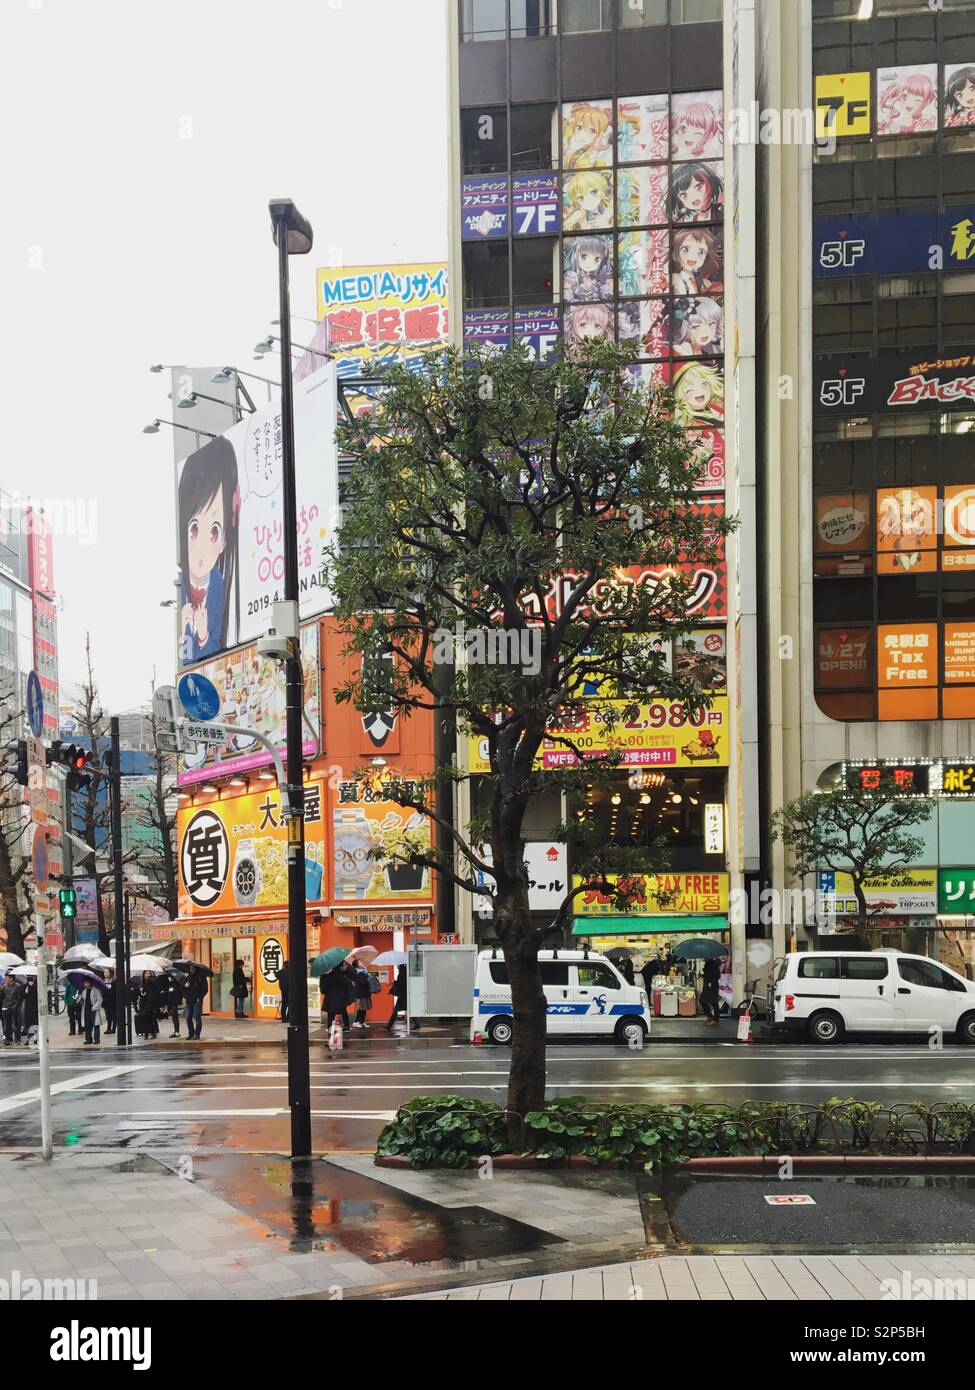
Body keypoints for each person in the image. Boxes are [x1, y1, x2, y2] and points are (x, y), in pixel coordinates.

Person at [321, 965, 350, 1034]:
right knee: (344, 1011)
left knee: (330, 1015)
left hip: (330, 998)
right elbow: (347, 986)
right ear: (339, 967)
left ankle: (330, 1029)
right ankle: (346, 1026)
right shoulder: (341, 976)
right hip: (340, 998)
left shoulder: (326, 976)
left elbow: (323, 990)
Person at [132, 971, 159, 1040]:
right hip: (143, 1003)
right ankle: (146, 1034)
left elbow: (154, 993)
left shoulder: (153, 983)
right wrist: (140, 990)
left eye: (148, 973)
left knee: (150, 1018)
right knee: (144, 1019)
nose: (147, 975)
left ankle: (153, 1033)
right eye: (146, 973)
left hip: (150, 1003)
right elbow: (140, 994)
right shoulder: (142, 984)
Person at [183, 964, 207, 1040]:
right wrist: (185, 987)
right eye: (190, 968)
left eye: (193, 968)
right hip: (189, 1000)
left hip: (197, 1000)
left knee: (196, 1017)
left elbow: (205, 989)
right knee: (188, 1017)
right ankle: (191, 1033)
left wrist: (200, 998)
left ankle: (197, 1034)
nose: (191, 969)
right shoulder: (188, 977)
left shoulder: (201, 977)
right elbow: (183, 989)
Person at [1, 971, 25, 1045]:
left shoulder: (17, 986)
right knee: (6, 1025)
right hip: (5, 1007)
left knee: (15, 1025)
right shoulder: (3, 986)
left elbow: (19, 997)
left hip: (13, 1007)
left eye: (7, 978)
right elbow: (2, 997)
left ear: (11, 978)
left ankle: (17, 1039)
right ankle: (7, 1039)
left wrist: (15, 1006)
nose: (5, 979)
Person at [81, 977, 106, 1046]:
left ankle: (96, 1040)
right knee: (87, 1025)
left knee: (95, 1025)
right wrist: (81, 1000)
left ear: (90, 983)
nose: (85, 984)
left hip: (93, 1010)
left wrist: (94, 1007)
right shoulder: (84, 991)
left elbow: (99, 1000)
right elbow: (83, 1000)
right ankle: (88, 1039)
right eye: (85, 983)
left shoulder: (96, 990)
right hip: (86, 1010)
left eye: (87, 983)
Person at [700, 955, 722, 1025]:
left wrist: (710, 982)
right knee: (703, 1001)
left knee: (713, 1002)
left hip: (711, 986)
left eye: (704, 956)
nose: (703, 957)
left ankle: (715, 1019)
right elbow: (708, 974)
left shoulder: (712, 963)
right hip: (708, 985)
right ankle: (710, 1017)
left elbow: (717, 975)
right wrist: (703, 975)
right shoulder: (708, 963)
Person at [386, 965, 408, 1034]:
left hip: (402, 995)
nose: (397, 966)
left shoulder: (401, 974)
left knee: (396, 1010)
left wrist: (394, 982)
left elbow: (400, 984)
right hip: (405, 994)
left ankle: (389, 1025)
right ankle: (417, 1024)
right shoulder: (404, 973)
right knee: (408, 1008)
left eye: (398, 966)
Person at [351, 965, 373, 1030]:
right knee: (361, 1008)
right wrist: (367, 977)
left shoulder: (364, 973)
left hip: (365, 993)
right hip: (360, 994)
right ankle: (356, 1022)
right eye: (360, 963)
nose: (362, 965)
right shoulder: (357, 973)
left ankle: (362, 1021)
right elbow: (361, 982)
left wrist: (367, 976)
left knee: (364, 1008)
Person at [21, 976, 38, 1045]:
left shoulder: (37, 984)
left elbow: (38, 994)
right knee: (28, 1024)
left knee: (35, 1023)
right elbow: (22, 995)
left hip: (36, 1007)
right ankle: (29, 1038)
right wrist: (27, 988)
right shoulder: (26, 986)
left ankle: (35, 1038)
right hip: (28, 1007)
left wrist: (32, 986)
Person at [164, 973, 182, 1037]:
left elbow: (178, 995)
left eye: (170, 977)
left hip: (174, 1004)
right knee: (174, 1018)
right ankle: (176, 1031)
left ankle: (177, 1032)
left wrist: (176, 1003)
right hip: (170, 1004)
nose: (169, 978)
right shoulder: (170, 985)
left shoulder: (176, 985)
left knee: (175, 1018)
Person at [103, 967, 117, 1035]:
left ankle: (113, 1028)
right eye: (104, 972)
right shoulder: (104, 980)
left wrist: (110, 989)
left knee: (113, 1015)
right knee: (108, 1015)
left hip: (112, 1000)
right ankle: (108, 1028)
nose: (105, 973)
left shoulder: (114, 980)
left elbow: (115, 991)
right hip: (106, 1000)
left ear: (110, 973)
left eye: (106, 972)